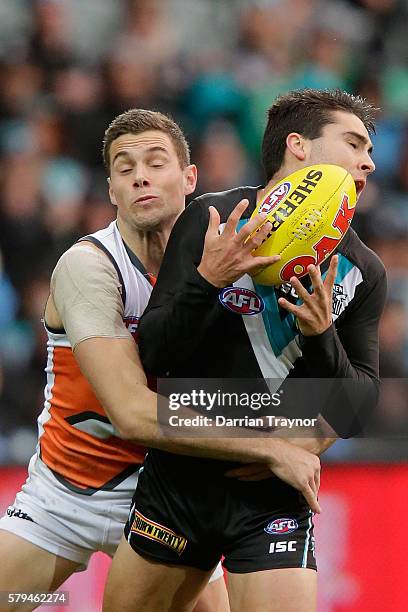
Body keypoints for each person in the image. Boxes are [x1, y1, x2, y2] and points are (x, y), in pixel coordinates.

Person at [0, 109, 321, 612]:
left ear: (190, 179)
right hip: (69, 494)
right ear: (111, 191)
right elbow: (131, 413)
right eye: (124, 169)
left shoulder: (236, 256)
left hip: (170, 498)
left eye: (154, 162)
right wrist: (270, 448)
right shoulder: (88, 267)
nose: (140, 176)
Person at [104, 89, 388, 612]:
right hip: (179, 484)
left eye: (368, 149)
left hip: (272, 497)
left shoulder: (361, 270)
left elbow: (358, 405)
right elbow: (153, 358)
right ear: (298, 146)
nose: (369, 160)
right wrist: (210, 279)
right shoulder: (212, 220)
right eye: (353, 143)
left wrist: (322, 336)